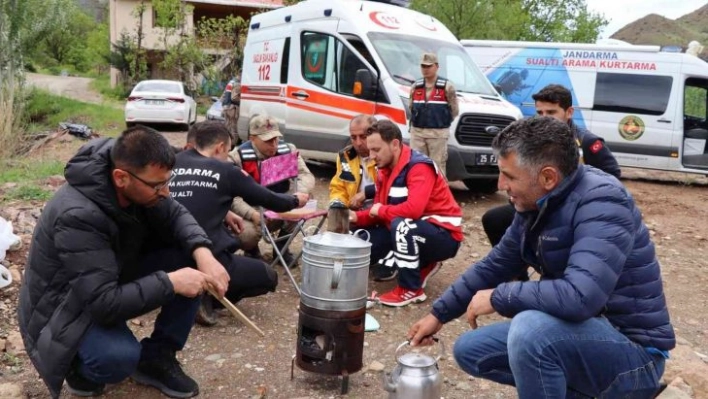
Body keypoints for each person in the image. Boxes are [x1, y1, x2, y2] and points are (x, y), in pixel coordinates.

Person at [408, 117, 675, 398]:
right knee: (471, 350)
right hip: (582, 336)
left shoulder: (603, 202)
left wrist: (501, 296)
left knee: (530, 331)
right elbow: (496, 264)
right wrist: (438, 315)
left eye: (509, 176)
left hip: (632, 353)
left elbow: (580, 297)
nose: (501, 185)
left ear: (548, 177)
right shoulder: (537, 204)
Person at [18, 126, 231, 399]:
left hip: (107, 274)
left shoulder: (139, 179)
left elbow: (175, 213)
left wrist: (204, 254)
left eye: (168, 181)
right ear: (121, 178)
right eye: (158, 185)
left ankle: (157, 358)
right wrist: (170, 282)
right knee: (117, 358)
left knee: (188, 258)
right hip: (64, 306)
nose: (166, 192)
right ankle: (79, 370)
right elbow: (103, 303)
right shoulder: (77, 214)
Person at [172, 121, 308, 325]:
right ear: (219, 147)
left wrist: (225, 213)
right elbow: (273, 201)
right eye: (226, 151)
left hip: (162, 256)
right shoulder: (226, 169)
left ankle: (177, 292)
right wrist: (296, 200)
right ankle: (205, 297)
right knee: (267, 277)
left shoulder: (173, 162)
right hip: (205, 255)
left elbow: (191, 198)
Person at [482, 84, 622, 250]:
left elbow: (612, 176)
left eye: (551, 112)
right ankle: (518, 275)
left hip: (571, 212)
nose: (544, 118)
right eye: (540, 112)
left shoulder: (587, 142)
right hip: (539, 207)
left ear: (569, 112)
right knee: (493, 220)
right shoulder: (532, 140)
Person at [350, 120, 462, 307]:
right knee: (359, 236)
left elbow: (413, 210)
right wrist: (355, 217)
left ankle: (410, 290)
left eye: (376, 150)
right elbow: (378, 212)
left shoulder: (419, 166)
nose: (371, 156)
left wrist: (380, 211)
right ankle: (423, 264)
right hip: (415, 228)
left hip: (444, 236)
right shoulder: (384, 169)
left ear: (394, 144)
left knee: (402, 226)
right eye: (370, 150)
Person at [229, 115, 315, 265]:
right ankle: (252, 250)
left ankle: (281, 247)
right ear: (252, 138)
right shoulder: (237, 157)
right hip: (252, 209)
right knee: (246, 234)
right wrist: (252, 214)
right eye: (268, 140)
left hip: (280, 203)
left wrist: (297, 195)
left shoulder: (288, 150)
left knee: (306, 200)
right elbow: (231, 196)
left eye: (276, 139)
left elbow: (306, 175)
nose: (274, 145)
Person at [408, 52, 459, 179]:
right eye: (423, 66)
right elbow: (411, 107)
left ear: (436, 66)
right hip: (418, 133)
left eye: (428, 66)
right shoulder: (416, 86)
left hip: (438, 134)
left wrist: (441, 121)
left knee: (437, 167)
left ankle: (438, 197)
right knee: (416, 165)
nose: (425, 69)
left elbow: (454, 110)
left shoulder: (447, 86)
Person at [328, 114, 377, 210]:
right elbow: (338, 188)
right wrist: (338, 203)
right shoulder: (345, 157)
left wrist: (367, 192)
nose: (358, 143)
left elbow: (389, 184)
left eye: (363, 137)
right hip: (356, 211)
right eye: (353, 138)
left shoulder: (383, 155)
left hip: (380, 210)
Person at [221, 76, 241, 146]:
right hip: (232, 109)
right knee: (234, 130)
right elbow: (234, 98)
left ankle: (225, 145)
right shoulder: (237, 84)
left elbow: (223, 96)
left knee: (227, 128)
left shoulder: (231, 82)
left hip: (226, 108)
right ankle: (230, 147)